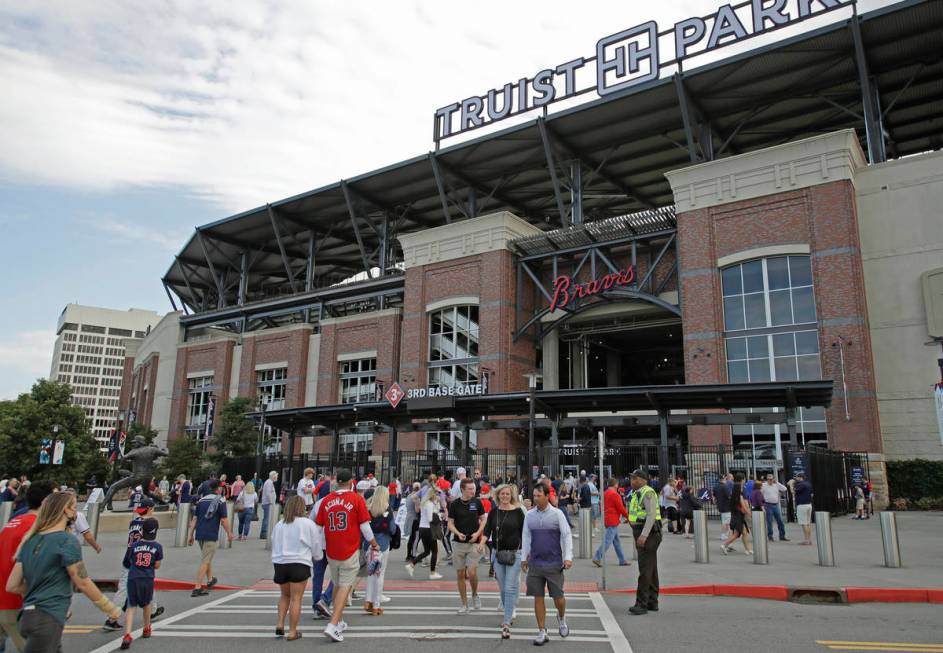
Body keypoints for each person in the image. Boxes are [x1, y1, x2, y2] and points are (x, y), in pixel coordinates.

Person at [5, 492, 122, 652]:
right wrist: (109, 607)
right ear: (65, 511)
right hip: (47, 617)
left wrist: (39, 590)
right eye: (74, 507)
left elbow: (12, 585)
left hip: (28, 616)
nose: (75, 512)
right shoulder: (66, 541)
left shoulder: (29, 541)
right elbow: (82, 580)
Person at [315, 469, 379, 643]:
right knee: (345, 586)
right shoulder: (356, 499)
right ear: (351, 482)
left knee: (336, 584)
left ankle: (339, 620)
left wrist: (318, 548)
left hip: (331, 549)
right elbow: (365, 527)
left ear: (336, 482)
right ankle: (333, 624)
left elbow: (318, 528)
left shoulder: (326, 500)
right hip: (349, 548)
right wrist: (374, 543)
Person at [0, 481, 54, 653]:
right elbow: (35, 569)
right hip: (16, 602)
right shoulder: (35, 528)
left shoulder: (13, 522)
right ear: (46, 502)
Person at [522, 482, 572, 646]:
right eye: (534, 495)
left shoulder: (557, 514)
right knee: (538, 597)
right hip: (535, 563)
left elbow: (566, 535)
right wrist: (524, 557)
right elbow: (526, 537)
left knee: (559, 598)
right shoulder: (529, 515)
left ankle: (561, 617)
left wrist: (568, 557)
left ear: (546, 496)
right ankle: (542, 630)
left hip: (554, 562)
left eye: (538, 495)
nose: (535, 498)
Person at [272, 495, 323, 641]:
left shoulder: (279, 524)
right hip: (299, 563)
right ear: (302, 508)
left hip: (280, 563)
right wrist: (317, 557)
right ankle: (292, 631)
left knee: (284, 595)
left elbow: (274, 541)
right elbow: (315, 545)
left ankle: (280, 624)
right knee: (296, 598)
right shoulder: (307, 524)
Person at [480, 484, 525, 639]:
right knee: (503, 589)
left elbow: (524, 534)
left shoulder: (519, 512)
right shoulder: (494, 512)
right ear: (498, 495)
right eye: (502, 494)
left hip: (515, 554)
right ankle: (509, 610)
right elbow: (487, 531)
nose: (505, 496)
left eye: (507, 494)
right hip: (497, 554)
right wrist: (481, 543)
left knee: (509, 587)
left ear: (511, 495)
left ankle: (506, 623)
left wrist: (526, 555)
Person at [119, 518, 162, 650]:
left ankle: (127, 634)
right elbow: (157, 565)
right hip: (147, 578)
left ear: (142, 531)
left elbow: (128, 561)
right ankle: (147, 627)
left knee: (131, 606)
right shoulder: (157, 547)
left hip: (133, 578)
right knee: (146, 604)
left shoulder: (134, 546)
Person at [447, 478, 487, 614]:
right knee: (460, 573)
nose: (473, 491)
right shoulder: (454, 504)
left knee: (472, 572)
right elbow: (450, 523)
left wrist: (477, 534)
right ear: (462, 489)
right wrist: (457, 532)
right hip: (458, 542)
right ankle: (464, 604)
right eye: (470, 489)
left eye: (473, 488)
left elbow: (483, 519)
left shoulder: (477, 502)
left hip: (473, 542)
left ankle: (475, 594)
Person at [188, 480, 233, 596]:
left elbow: (195, 519)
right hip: (211, 534)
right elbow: (223, 520)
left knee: (206, 557)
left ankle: (210, 579)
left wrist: (190, 535)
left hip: (200, 534)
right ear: (217, 488)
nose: (222, 489)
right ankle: (197, 587)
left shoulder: (201, 500)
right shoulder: (220, 500)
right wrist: (229, 533)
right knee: (205, 560)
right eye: (221, 487)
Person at [628, 468, 662, 615]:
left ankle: (641, 603)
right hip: (646, 532)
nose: (632, 481)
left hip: (648, 534)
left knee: (645, 570)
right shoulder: (638, 493)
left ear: (642, 480)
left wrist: (643, 535)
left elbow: (651, 515)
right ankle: (652, 601)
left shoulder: (647, 492)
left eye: (634, 478)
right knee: (651, 568)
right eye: (632, 478)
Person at [363, 486, 398, 616]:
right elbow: (392, 529)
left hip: (369, 544)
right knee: (380, 574)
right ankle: (376, 605)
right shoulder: (387, 509)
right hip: (382, 545)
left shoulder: (368, 508)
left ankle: (368, 601)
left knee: (371, 574)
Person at [404, 487, 443, 580]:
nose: (438, 496)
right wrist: (438, 516)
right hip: (429, 529)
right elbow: (430, 518)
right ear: (433, 495)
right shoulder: (429, 504)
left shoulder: (424, 503)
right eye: (436, 494)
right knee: (434, 551)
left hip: (422, 528)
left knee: (426, 551)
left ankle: (412, 565)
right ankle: (432, 573)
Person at [593, 478, 630, 567]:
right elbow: (621, 508)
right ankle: (597, 557)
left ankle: (622, 560)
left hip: (607, 518)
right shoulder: (615, 494)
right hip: (613, 520)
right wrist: (628, 517)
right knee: (608, 541)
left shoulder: (605, 493)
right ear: (616, 485)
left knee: (616, 541)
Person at [721, 481, 752, 555]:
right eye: (741, 487)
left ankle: (748, 549)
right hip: (739, 517)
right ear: (738, 488)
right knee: (736, 534)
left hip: (735, 516)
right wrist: (749, 513)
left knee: (744, 533)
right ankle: (724, 545)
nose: (742, 488)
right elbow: (743, 507)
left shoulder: (733, 496)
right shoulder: (740, 496)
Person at [761, 475, 789, 541]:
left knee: (780, 521)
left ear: (773, 479)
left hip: (776, 505)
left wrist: (777, 482)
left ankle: (782, 536)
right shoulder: (764, 485)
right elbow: (760, 493)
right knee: (769, 522)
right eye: (768, 479)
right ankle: (770, 536)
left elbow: (785, 488)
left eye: (771, 479)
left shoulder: (776, 485)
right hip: (768, 505)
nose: (769, 480)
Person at [789, 473, 814, 544]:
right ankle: (809, 540)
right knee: (808, 523)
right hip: (809, 504)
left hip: (802, 505)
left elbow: (793, 492)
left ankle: (806, 540)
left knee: (804, 523)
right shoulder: (808, 484)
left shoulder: (801, 484)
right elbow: (812, 494)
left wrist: (791, 484)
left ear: (800, 478)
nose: (796, 479)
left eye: (797, 477)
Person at [713, 474, 732, 541]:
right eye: (725, 479)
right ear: (723, 479)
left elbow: (714, 497)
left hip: (720, 506)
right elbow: (729, 496)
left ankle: (725, 534)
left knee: (724, 521)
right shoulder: (725, 487)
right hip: (726, 506)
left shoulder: (715, 487)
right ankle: (724, 535)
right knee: (726, 522)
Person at [260, 471, 278, 539]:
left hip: (267, 503)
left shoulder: (269, 482)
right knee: (267, 518)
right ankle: (264, 533)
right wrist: (271, 502)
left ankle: (264, 532)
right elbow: (268, 493)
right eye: (276, 476)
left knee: (266, 518)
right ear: (273, 476)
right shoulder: (269, 482)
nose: (277, 477)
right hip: (268, 503)